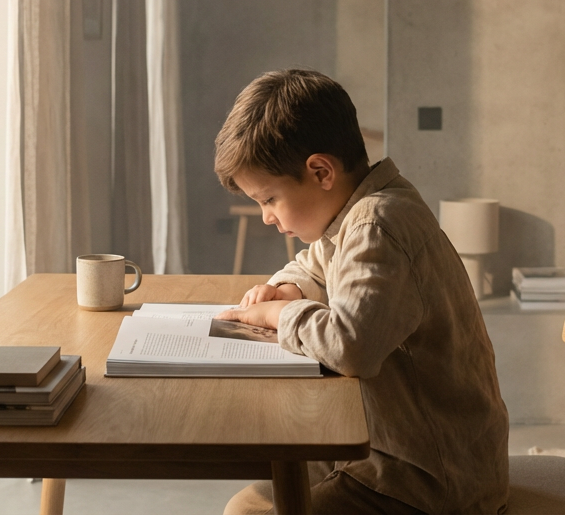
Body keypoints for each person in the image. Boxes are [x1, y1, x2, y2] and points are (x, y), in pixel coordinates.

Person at [213, 69, 509, 515]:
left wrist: (279, 317)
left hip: (430, 480)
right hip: (402, 454)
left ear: (320, 171)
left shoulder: (378, 227)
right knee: (251, 499)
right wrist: (286, 287)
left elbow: (350, 345)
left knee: (247, 511)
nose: (266, 218)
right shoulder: (361, 211)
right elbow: (315, 261)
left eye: (269, 199)